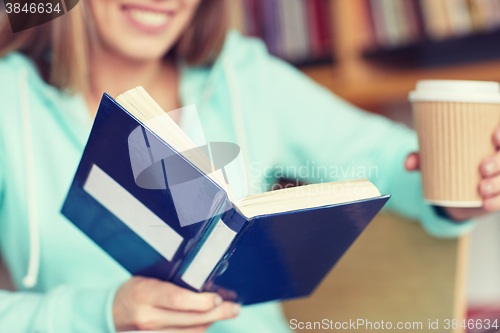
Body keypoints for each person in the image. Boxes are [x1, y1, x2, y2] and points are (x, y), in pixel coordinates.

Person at [0, 0, 499, 332]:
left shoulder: (244, 77)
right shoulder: (9, 102)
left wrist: (468, 185)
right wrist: (102, 312)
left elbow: (392, 162)